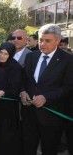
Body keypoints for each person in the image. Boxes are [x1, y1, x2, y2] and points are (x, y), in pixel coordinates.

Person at [20, 24, 73, 155]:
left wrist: (46, 97)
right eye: (40, 40)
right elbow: (24, 79)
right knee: (27, 148)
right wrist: (22, 91)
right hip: (29, 114)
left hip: (52, 117)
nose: (42, 44)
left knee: (49, 149)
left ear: (58, 41)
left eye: (47, 41)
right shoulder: (31, 57)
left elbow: (68, 87)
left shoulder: (68, 60)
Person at [0, 42, 23, 155]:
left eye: (6, 54)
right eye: (0, 52)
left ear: (11, 55)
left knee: (5, 136)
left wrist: (4, 92)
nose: (2, 56)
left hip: (7, 109)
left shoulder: (16, 67)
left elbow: (16, 88)